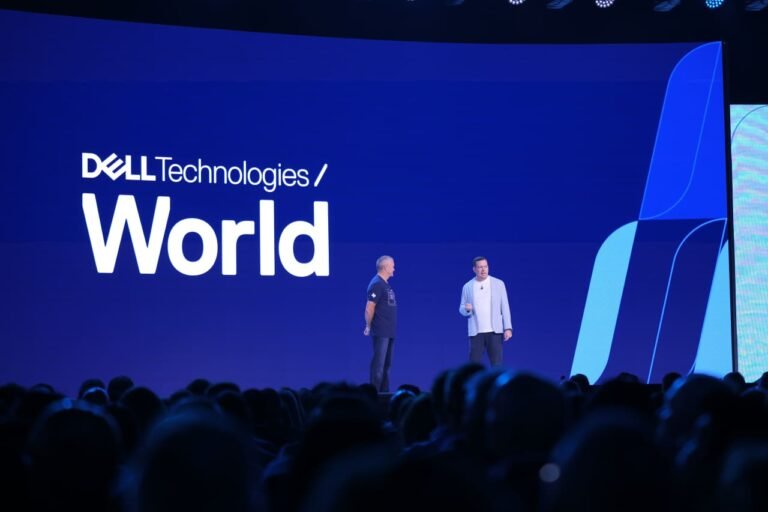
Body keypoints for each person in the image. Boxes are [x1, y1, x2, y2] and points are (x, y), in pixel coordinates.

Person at [458, 256, 513, 366]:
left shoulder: (498, 284)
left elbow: (505, 307)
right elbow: (462, 308)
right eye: (480, 267)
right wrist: (466, 309)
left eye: (485, 266)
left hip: (494, 331)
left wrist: (507, 328)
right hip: (476, 332)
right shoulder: (467, 286)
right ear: (474, 269)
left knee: (497, 364)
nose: (483, 270)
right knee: (473, 365)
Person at [364, 255, 397, 392]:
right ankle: (374, 395)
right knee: (378, 368)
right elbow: (369, 307)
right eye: (392, 266)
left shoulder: (385, 284)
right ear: (385, 267)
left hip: (389, 332)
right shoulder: (377, 284)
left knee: (386, 368)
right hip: (381, 331)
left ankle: (384, 395)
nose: (394, 269)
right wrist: (368, 326)